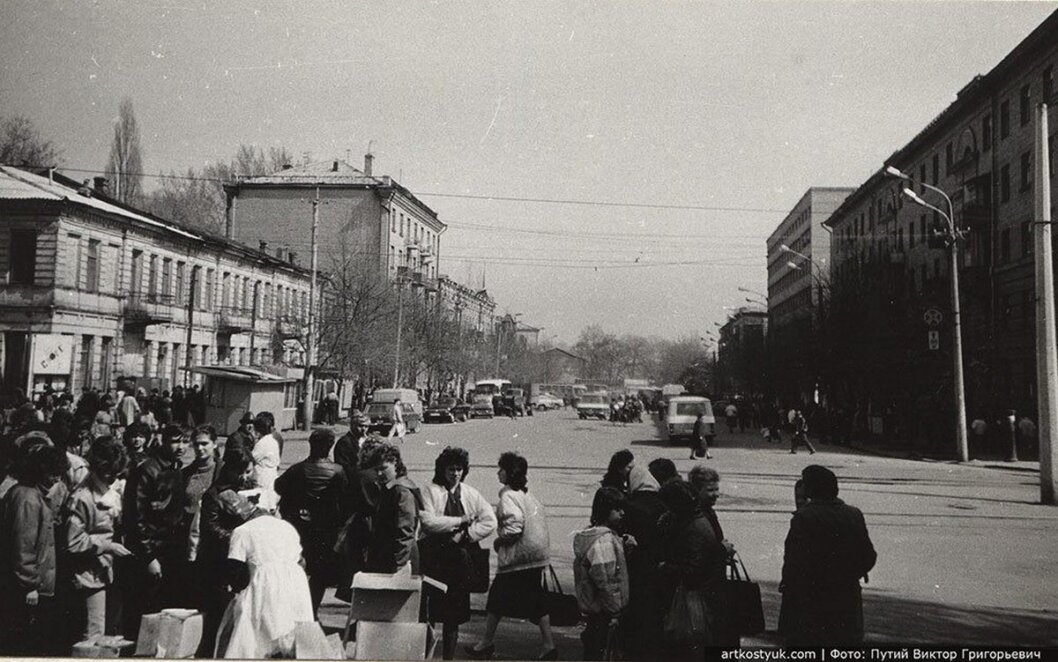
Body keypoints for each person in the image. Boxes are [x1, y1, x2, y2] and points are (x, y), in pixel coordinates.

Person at [466, 452, 556, 661]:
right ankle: (549, 644)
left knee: (497, 598)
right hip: (536, 556)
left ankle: (486, 643)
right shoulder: (527, 494)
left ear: (509, 472)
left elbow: (514, 525)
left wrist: (500, 540)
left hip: (518, 558)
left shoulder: (507, 496)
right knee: (537, 601)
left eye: (501, 469)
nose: (498, 472)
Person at [780, 465, 876, 646]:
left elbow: (794, 561)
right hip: (846, 597)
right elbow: (868, 556)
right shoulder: (853, 514)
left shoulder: (804, 517)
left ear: (810, 489)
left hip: (811, 600)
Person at [418, 447, 498, 659]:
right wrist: (460, 521)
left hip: (458, 563)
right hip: (434, 560)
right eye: (451, 469)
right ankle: (425, 656)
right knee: (429, 614)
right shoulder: (430, 491)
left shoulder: (471, 494)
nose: (455, 473)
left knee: (453, 616)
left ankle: (448, 658)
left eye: (459, 469)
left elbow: (490, 520)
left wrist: (467, 535)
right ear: (442, 469)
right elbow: (428, 522)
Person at [214, 491, 314, 658]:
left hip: (265, 584)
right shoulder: (286, 527)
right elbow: (301, 561)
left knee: (260, 633)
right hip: (296, 582)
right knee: (291, 628)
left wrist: (237, 591)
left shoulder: (242, 531)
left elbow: (235, 568)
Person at [121, 423, 190, 639]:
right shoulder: (147, 470)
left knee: (162, 610)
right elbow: (135, 518)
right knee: (143, 612)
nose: (181, 447)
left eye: (185, 441)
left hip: (170, 552)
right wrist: (149, 556)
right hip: (150, 554)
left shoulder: (175, 467)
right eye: (175, 441)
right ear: (163, 441)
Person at [61, 436, 132, 642]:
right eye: (112, 475)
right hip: (87, 575)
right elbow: (72, 541)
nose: (115, 479)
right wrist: (108, 546)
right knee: (93, 634)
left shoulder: (107, 492)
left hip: (102, 572)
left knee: (103, 631)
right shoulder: (83, 498)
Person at [0, 444, 69, 655]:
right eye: (52, 474)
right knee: (25, 643)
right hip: (26, 588)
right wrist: (30, 584)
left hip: (30, 583)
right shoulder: (28, 499)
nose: (56, 480)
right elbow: (23, 546)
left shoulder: (29, 494)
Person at [274, 428, 349, 617]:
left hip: (300, 528)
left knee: (298, 568)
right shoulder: (338, 471)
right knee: (319, 575)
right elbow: (344, 498)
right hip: (326, 530)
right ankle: (311, 611)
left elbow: (279, 486)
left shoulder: (297, 469)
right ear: (330, 446)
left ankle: (296, 609)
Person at [197, 446, 256, 657]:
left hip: (240, 563)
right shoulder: (214, 494)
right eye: (241, 472)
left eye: (248, 472)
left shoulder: (247, 490)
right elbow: (210, 527)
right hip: (219, 563)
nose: (244, 477)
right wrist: (235, 537)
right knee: (219, 618)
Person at [657, 480, 727, 659]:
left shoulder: (694, 528)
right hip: (700, 594)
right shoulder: (694, 521)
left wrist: (666, 567)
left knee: (689, 646)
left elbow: (692, 571)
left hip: (694, 597)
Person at [573, 487, 634, 661]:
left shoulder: (595, 536)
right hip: (604, 611)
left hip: (594, 609)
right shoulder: (604, 541)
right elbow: (606, 580)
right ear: (605, 510)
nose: (622, 513)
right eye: (617, 509)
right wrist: (615, 610)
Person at [687, 464, 738, 646]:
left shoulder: (707, 511)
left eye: (717, 489)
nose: (716, 494)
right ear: (696, 489)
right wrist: (722, 550)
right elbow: (701, 553)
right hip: (705, 587)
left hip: (713, 583)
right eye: (710, 490)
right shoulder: (696, 515)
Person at [621, 465, 667, 660]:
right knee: (654, 613)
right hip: (658, 567)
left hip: (635, 567)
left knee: (635, 612)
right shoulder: (663, 505)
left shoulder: (629, 505)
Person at [359, 439, 422, 574]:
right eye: (377, 470)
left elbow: (405, 532)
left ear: (395, 463)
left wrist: (400, 566)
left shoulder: (402, 491)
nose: (380, 474)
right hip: (388, 557)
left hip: (399, 560)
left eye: (383, 468)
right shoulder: (391, 488)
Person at [184, 425, 223, 566]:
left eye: (204, 443)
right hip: (190, 540)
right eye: (196, 444)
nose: (200, 448)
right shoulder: (186, 474)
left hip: (216, 540)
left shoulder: (224, 472)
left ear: (215, 443)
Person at [250, 413, 280, 507]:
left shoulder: (263, 443)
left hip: (262, 477)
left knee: (261, 503)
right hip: (271, 476)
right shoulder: (273, 441)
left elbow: (252, 458)